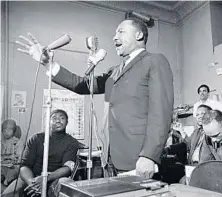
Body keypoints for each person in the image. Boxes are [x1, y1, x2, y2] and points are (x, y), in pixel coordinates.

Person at [16, 18, 174, 179]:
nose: (114, 37)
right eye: (114, 33)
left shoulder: (154, 61)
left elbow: (161, 114)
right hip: (110, 158)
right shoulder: (114, 72)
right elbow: (82, 85)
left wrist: (149, 155)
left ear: (139, 35)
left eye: (121, 31)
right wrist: (47, 64)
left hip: (138, 159)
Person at [2, 109, 79, 197]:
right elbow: (24, 166)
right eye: (54, 118)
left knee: (67, 184)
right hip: (31, 179)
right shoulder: (35, 139)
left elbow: (67, 168)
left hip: (55, 180)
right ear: (48, 121)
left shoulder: (71, 142)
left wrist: (45, 179)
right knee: (10, 192)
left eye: (62, 118)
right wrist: (33, 183)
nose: (58, 121)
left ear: (67, 122)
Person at [1, 119, 23, 190]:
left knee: (11, 175)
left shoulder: (18, 142)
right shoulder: (1, 142)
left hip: (13, 167)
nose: (6, 133)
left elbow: (19, 158)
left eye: (9, 130)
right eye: (4, 130)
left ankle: (9, 190)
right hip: (2, 166)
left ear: (13, 131)